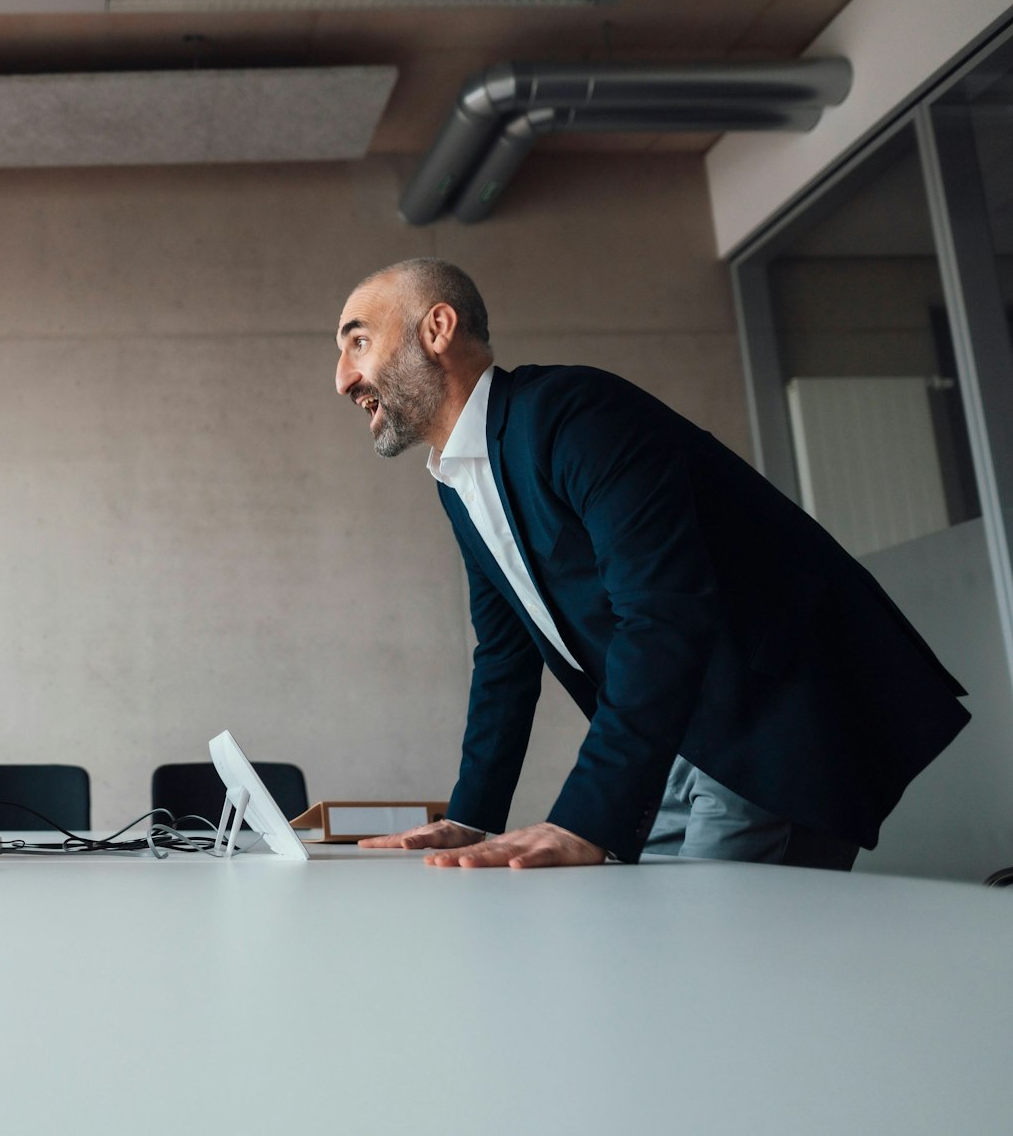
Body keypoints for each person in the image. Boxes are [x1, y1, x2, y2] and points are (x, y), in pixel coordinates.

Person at [332, 258, 969, 870]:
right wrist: (472, 816)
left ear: (437, 329)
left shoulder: (573, 413)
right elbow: (504, 657)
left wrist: (583, 820)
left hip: (766, 718)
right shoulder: (457, 480)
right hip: (673, 735)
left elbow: (664, 611)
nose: (342, 378)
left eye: (357, 342)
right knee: (656, 947)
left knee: (728, 962)